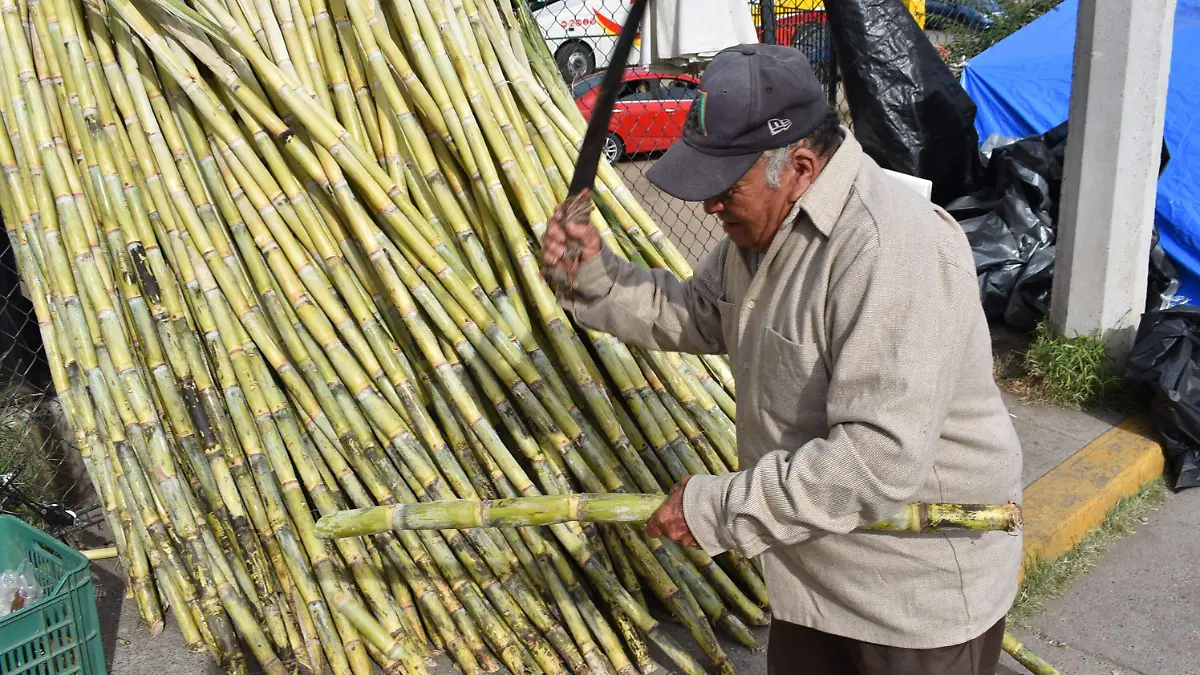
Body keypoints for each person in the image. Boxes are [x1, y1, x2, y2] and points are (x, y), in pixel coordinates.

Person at [540, 43, 1023, 675]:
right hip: (810, 575)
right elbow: (697, 310)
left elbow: (876, 460)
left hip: (907, 595)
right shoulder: (763, 232)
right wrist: (592, 279)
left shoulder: (892, 248)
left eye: (723, 188)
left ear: (798, 164)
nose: (709, 207)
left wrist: (720, 509)